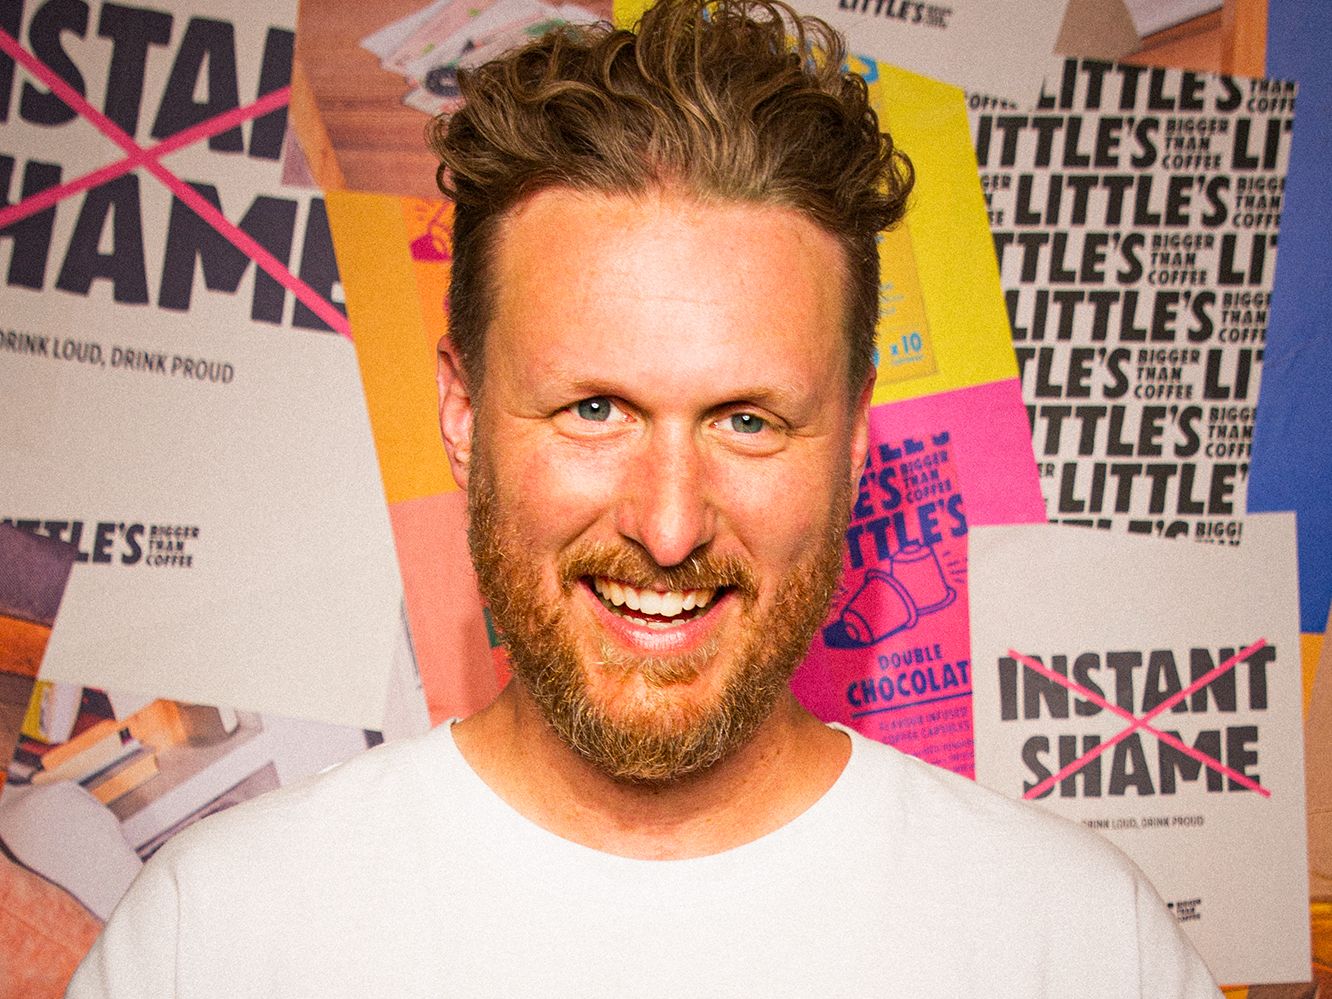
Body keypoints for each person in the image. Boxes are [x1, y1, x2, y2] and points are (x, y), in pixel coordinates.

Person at [68, 1, 1219, 995]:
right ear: (462, 411)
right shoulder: (213, 941)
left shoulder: (1073, 948)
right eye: (595, 410)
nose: (668, 528)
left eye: (748, 421)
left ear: (857, 437)